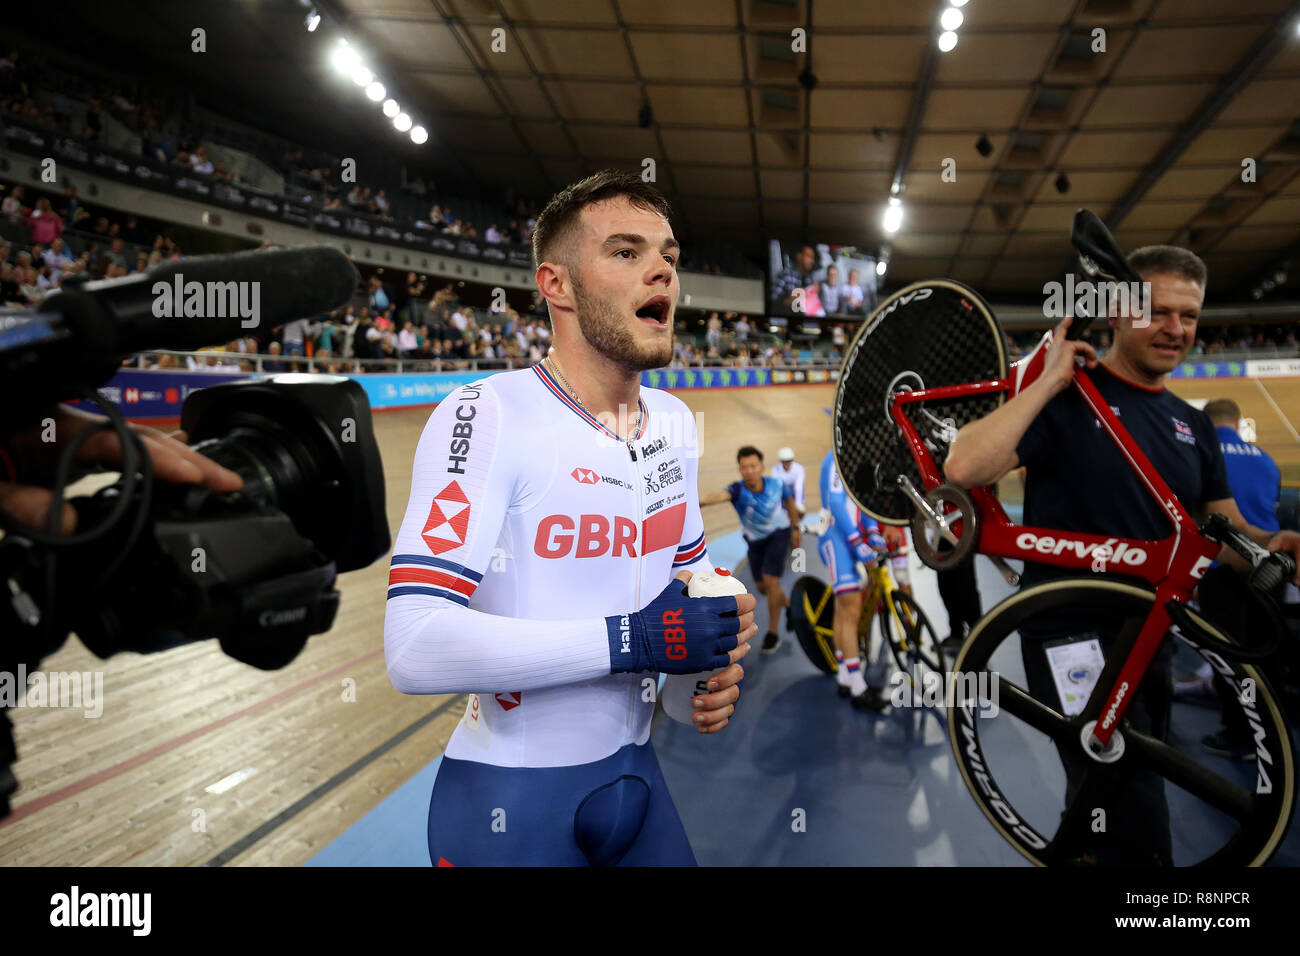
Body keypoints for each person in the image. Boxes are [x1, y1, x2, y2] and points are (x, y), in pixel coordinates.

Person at [384, 169, 756, 867]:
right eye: (626, 252)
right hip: (508, 802)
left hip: (640, 774)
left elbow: (692, 583)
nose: (662, 274)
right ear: (556, 285)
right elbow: (413, 645)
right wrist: (633, 642)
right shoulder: (487, 413)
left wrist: (714, 652)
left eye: (669, 257)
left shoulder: (674, 422)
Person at [944, 244, 1300, 866]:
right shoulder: (1068, 399)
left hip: (1151, 637)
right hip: (1068, 636)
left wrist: (1277, 548)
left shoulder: (1192, 427)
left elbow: (1226, 533)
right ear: (1115, 310)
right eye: (1158, 312)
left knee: (1105, 795)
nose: (1175, 329)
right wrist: (1052, 378)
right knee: (1136, 813)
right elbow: (965, 465)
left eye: (1188, 316)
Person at [1193, 397, 1288, 759]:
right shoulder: (1265, 459)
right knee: (1266, 653)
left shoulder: (1202, 454)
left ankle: (1240, 735)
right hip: (1269, 565)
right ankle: (1272, 735)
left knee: (1230, 656)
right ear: (1238, 421)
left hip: (1222, 566)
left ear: (1206, 423)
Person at [701, 446, 801, 653]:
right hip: (755, 543)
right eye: (744, 467)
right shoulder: (738, 490)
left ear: (762, 467)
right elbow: (720, 495)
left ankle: (773, 634)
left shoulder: (776, 484)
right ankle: (791, 605)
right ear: (739, 469)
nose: (749, 471)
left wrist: (796, 528)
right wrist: (700, 502)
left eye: (753, 466)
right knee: (763, 587)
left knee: (771, 581)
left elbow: (789, 502)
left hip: (778, 535)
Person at [817, 450, 890, 710]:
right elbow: (837, 503)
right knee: (851, 608)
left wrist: (872, 531)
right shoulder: (838, 455)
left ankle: (845, 676)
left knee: (843, 610)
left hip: (848, 534)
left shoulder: (860, 453)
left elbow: (864, 502)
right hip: (836, 538)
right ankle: (859, 689)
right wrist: (857, 540)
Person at [770, 446, 806, 517]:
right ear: (781, 461)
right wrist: (778, 505)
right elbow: (777, 488)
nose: (787, 464)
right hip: (782, 494)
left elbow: (798, 487)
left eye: (789, 461)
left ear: (792, 460)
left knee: (798, 513)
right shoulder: (775, 469)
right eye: (784, 462)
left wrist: (798, 503)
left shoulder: (799, 468)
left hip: (795, 494)